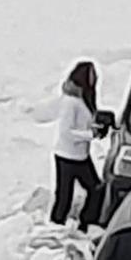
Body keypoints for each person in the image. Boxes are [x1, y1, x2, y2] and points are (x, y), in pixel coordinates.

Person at [51, 61, 105, 232]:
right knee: (64, 196)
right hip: (67, 156)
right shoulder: (71, 102)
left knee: (95, 188)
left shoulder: (83, 99)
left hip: (80, 155)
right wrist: (89, 135)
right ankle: (56, 226)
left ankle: (86, 222)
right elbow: (66, 131)